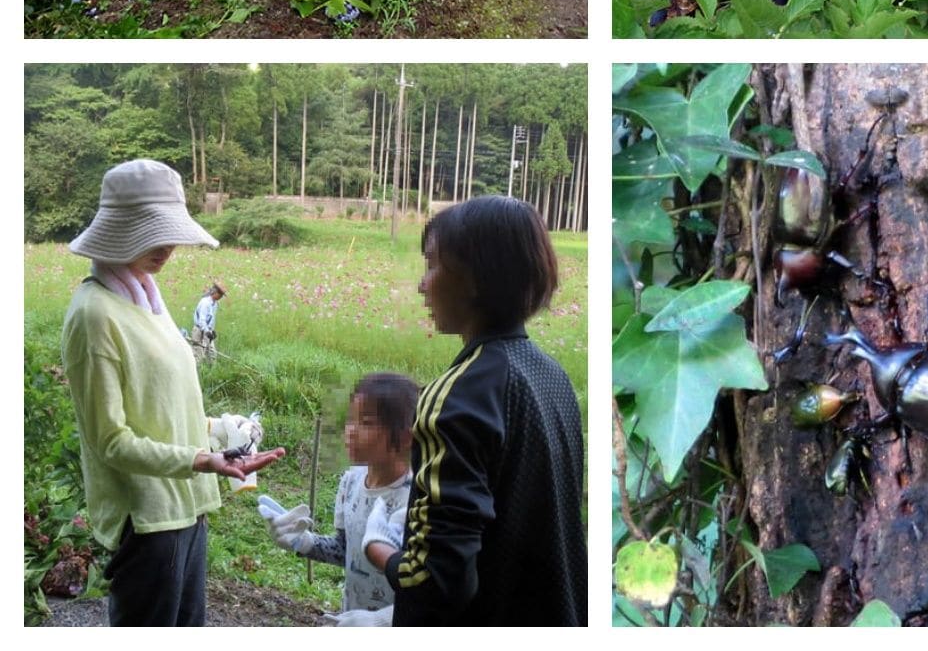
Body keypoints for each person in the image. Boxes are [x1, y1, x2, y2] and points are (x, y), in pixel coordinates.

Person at [61, 159, 286, 626]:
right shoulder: (95, 315)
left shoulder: (148, 299)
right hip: (147, 522)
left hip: (188, 508)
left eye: (170, 233)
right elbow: (110, 441)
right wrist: (201, 460)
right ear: (118, 229)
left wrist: (222, 432)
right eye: (152, 233)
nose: (167, 248)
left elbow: (165, 410)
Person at [363, 196, 586, 625]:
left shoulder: (458, 396)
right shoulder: (551, 376)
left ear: (476, 277)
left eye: (432, 265)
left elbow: (436, 582)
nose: (422, 285)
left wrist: (382, 552)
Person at [263, 373, 419, 627]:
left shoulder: (417, 498)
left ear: (405, 437)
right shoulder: (351, 482)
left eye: (366, 423)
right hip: (353, 620)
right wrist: (304, 542)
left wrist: (385, 621)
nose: (350, 431)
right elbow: (346, 550)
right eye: (350, 420)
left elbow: (428, 583)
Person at [191, 281, 225, 361]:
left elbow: (212, 319)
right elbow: (202, 320)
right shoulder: (205, 303)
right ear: (215, 293)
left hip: (208, 330)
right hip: (199, 330)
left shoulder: (215, 304)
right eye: (220, 295)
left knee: (212, 354)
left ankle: (211, 370)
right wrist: (207, 331)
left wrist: (212, 331)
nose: (221, 297)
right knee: (198, 355)